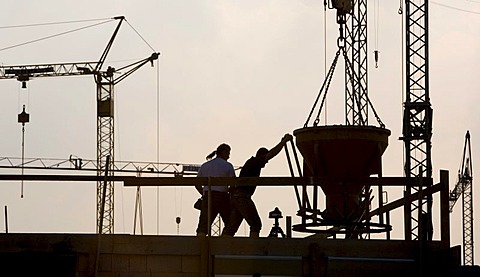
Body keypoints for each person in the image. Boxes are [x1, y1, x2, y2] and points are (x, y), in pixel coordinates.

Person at [222, 133, 293, 238]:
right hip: (242, 197)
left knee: (232, 226)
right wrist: (283, 142)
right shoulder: (255, 162)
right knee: (256, 224)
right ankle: (253, 248)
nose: (266, 163)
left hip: (236, 197)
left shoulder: (251, 163)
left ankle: (222, 247)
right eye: (265, 160)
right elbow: (272, 154)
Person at [195, 143, 236, 236]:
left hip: (208, 196)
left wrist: (204, 194)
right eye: (228, 153)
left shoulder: (205, 165)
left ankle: (200, 245)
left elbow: (197, 183)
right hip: (223, 197)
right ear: (223, 152)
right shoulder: (228, 166)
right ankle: (225, 241)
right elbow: (233, 184)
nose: (229, 156)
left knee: (203, 225)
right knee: (230, 223)